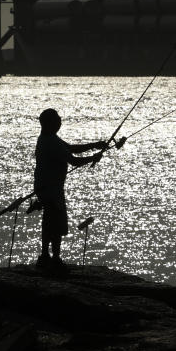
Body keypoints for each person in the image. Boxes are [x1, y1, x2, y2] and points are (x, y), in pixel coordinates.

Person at [33, 108, 109, 273]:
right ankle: (54, 259)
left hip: (45, 187)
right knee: (55, 222)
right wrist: (92, 158)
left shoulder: (49, 138)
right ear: (50, 123)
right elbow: (73, 160)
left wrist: (95, 145)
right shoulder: (50, 142)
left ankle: (46, 256)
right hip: (51, 189)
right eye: (57, 119)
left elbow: (71, 148)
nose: (60, 122)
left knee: (49, 221)